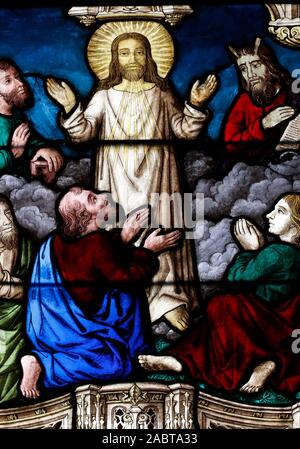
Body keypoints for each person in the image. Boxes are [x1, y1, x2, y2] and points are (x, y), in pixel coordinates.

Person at [46, 31, 217, 332]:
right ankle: (126, 305)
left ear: (150, 56)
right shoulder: (104, 96)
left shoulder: (161, 93)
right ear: (114, 59)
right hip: (114, 177)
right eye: (124, 53)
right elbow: (81, 134)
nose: (132, 59)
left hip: (160, 173)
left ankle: (169, 299)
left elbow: (185, 132)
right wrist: (71, 106)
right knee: (119, 230)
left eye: (139, 52)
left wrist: (195, 103)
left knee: (163, 224)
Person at [20, 186, 182, 399]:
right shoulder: (98, 244)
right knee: (116, 365)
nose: (102, 197)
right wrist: (148, 251)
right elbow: (126, 276)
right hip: (80, 331)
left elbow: (93, 264)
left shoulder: (57, 240)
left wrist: (124, 237)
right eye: (93, 198)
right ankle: (46, 366)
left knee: (122, 294)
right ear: (87, 217)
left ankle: (138, 354)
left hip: (50, 330)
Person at [139, 193, 300, 395]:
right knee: (210, 327)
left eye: (280, 211)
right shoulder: (293, 256)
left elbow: (237, 280)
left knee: (222, 304)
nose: (269, 215)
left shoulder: (277, 252)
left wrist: (251, 251)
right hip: (279, 328)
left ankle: (262, 361)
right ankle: (180, 360)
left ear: (296, 223)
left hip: (266, 325)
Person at [223, 37, 300, 159]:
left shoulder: (294, 94)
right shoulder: (244, 101)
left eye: (256, 65)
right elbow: (230, 143)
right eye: (243, 69)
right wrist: (263, 124)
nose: (249, 75)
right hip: (256, 171)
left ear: (270, 66)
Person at [0, 58, 64, 183]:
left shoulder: (18, 117)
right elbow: (17, 151)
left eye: (17, 77)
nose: (20, 84)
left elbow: (31, 141)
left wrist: (41, 149)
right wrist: (12, 153)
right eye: (8, 81)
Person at [0, 194, 36, 405]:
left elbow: (40, 291)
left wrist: (10, 287)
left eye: (7, 215)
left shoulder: (27, 247)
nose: (5, 222)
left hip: (17, 329)